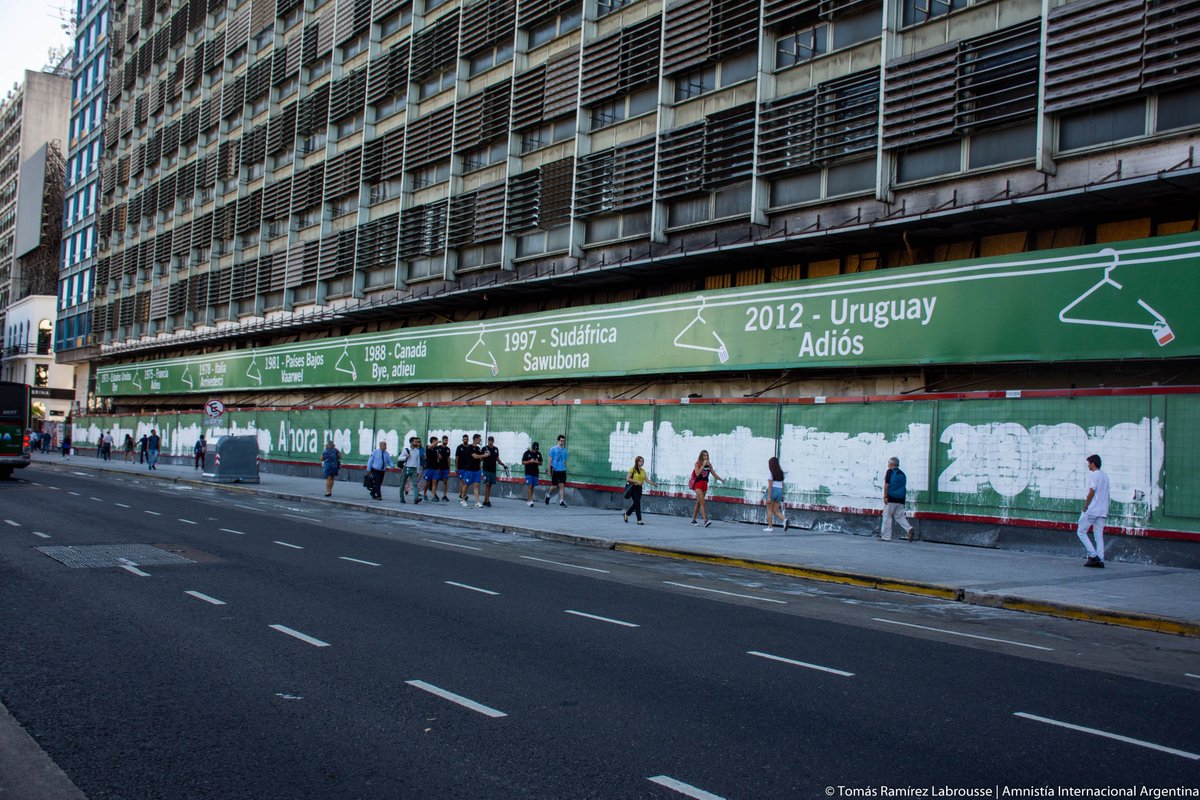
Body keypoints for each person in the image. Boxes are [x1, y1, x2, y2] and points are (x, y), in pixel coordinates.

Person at [1077, 454, 1111, 568]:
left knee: (1081, 531)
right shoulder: (1105, 476)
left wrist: (1086, 506)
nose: (1088, 465)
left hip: (1092, 509)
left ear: (1093, 463)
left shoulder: (1094, 475)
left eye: (1089, 463)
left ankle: (1093, 555)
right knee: (1098, 536)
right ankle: (1100, 559)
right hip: (1102, 510)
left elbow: (1092, 491)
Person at [881, 456, 913, 541]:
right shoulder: (902, 474)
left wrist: (885, 496)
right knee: (900, 517)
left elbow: (886, 485)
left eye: (888, 462)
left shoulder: (889, 472)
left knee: (887, 517)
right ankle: (909, 528)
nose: (888, 464)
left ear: (892, 464)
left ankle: (886, 537)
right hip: (900, 500)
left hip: (890, 499)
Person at [690, 449, 723, 527]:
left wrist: (721, 479)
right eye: (704, 455)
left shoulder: (709, 465)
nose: (706, 457)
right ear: (701, 456)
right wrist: (703, 465)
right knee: (703, 503)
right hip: (698, 485)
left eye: (707, 455)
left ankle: (693, 520)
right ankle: (706, 521)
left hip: (705, 485)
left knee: (698, 503)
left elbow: (714, 474)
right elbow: (697, 473)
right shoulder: (697, 464)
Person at [623, 455, 657, 525]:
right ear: (637, 462)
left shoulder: (643, 471)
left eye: (642, 461)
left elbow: (646, 480)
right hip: (633, 488)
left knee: (636, 503)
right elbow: (628, 478)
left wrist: (653, 484)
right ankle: (639, 520)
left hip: (639, 489)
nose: (642, 463)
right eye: (640, 461)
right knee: (637, 504)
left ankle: (626, 514)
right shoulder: (632, 469)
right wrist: (636, 481)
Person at [477, 435, 507, 507]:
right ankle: (487, 500)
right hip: (486, 469)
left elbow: (497, 459)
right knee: (487, 484)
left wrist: (503, 464)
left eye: (491, 441)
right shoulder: (484, 448)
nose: (490, 442)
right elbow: (480, 459)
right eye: (489, 441)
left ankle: (486, 500)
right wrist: (484, 456)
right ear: (488, 441)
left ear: (493, 441)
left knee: (490, 485)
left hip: (493, 469)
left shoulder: (495, 449)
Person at [764, 456, 789, 532]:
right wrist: (782, 494)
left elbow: (770, 485)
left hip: (773, 491)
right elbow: (782, 485)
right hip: (779, 491)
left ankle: (770, 527)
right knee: (776, 510)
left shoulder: (771, 473)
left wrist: (768, 497)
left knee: (769, 510)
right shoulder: (781, 473)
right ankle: (785, 519)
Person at [460, 434, 485, 507]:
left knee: (476, 485)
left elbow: (480, 458)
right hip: (469, 469)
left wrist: (485, 454)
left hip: (477, 470)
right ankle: (462, 499)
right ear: (475, 439)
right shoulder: (470, 447)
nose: (480, 440)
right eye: (479, 439)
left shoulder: (478, 448)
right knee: (466, 485)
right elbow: (475, 456)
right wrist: (484, 455)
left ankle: (477, 502)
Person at [398, 436, 424, 504]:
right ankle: (402, 498)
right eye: (415, 441)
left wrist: (417, 471)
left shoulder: (417, 451)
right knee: (403, 484)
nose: (416, 443)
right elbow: (399, 458)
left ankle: (416, 499)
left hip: (414, 469)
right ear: (411, 442)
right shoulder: (406, 450)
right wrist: (405, 457)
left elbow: (418, 461)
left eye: (417, 441)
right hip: (406, 468)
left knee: (415, 484)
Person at [546, 434, 569, 507]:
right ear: (558, 441)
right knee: (554, 485)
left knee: (562, 485)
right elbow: (550, 460)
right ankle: (548, 494)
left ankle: (561, 501)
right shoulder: (553, 449)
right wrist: (549, 470)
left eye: (563, 441)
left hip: (562, 470)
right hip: (555, 469)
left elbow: (565, 461)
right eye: (561, 441)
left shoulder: (565, 451)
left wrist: (565, 469)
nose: (562, 442)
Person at [522, 441, 543, 507]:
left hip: (535, 472)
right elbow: (523, 462)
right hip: (528, 472)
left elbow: (541, 463)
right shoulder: (526, 453)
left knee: (533, 486)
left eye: (536, 449)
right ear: (532, 447)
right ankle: (531, 500)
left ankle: (529, 500)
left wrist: (537, 462)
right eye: (534, 449)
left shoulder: (538, 454)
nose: (535, 450)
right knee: (530, 485)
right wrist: (529, 461)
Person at [454, 434, 472, 503]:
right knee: (462, 481)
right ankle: (462, 495)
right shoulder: (459, 447)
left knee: (466, 482)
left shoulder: (470, 447)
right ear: (462, 440)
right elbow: (457, 458)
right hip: (461, 467)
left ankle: (463, 494)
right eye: (464, 439)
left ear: (468, 439)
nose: (466, 440)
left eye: (466, 439)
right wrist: (456, 467)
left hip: (468, 468)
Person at [422, 436, 441, 501]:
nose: (436, 443)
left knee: (434, 482)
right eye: (435, 441)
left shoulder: (436, 450)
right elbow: (430, 447)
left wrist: (439, 456)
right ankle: (424, 494)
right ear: (432, 442)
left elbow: (439, 458)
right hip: (429, 467)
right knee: (427, 482)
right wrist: (437, 442)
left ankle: (433, 496)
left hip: (435, 468)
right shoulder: (428, 447)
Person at [436, 435, 452, 501]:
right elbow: (435, 456)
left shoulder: (448, 449)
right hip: (439, 467)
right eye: (445, 440)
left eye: (447, 440)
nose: (446, 441)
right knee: (436, 481)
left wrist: (449, 468)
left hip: (445, 468)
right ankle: (434, 493)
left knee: (445, 481)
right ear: (442, 440)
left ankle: (444, 495)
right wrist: (438, 455)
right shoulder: (438, 448)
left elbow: (448, 458)